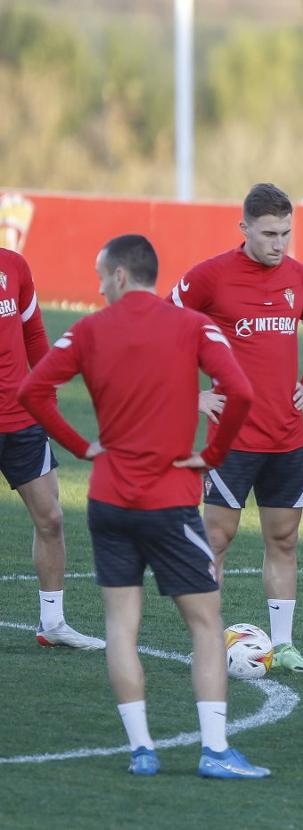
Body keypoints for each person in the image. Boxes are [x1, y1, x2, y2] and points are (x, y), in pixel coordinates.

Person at [19, 234, 268, 778]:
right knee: (205, 624)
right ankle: (215, 751)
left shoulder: (87, 330)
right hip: (169, 502)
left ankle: (142, 750)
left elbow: (32, 393)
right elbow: (241, 392)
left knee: (121, 627)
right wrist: (211, 455)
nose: (98, 285)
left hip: (108, 501)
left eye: (101, 274)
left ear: (122, 276)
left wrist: (84, 447)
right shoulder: (192, 326)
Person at [172, 183, 303, 673]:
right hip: (232, 439)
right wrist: (192, 395)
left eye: (286, 233)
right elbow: (161, 328)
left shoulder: (300, 278)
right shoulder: (211, 277)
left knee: (283, 541)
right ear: (244, 228)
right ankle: (205, 641)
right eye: (268, 233)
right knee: (216, 539)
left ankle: (282, 646)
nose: (278, 243)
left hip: (287, 437)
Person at [0, 246, 102, 649]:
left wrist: (45, 394)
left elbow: (33, 331)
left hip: (22, 417)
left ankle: (53, 623)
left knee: (52, 518)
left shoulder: (14, 265)